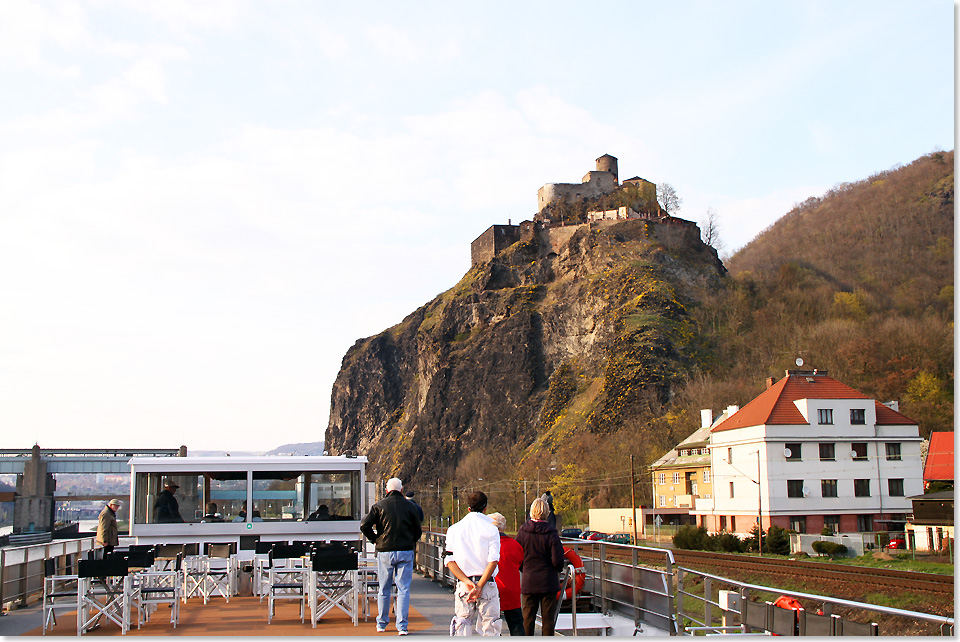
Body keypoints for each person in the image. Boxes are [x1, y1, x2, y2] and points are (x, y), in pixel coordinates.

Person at [361, 477, 423, 635]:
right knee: (403, 589)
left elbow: (364, 525)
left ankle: (381, 623)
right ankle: (402, 626)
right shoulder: (411, 507)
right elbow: (418, 530)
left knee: (384, 588)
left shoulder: (378, 506)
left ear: (387, 490)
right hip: (405, 551)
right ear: (402, 490)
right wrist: (410, 541)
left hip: (385, 551)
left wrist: (375, 539)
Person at [444, 491, 502, 636]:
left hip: (465, 585)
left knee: (462, 627)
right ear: (485, 509)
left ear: (468, 508)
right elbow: (493, 561)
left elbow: (450, 561)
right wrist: (479, 586)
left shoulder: (453, 530)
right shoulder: (492, 529)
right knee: (491, 628)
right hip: (487, 584)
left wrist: (467, 582)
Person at [516, 498, 565, 636]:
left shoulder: (523, 531)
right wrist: (556, 569)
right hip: (548, 582)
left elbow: (517, 556)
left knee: (527, 619)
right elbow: (557, 560)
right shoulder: (552, 533)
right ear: (547, 513)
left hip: (529, 580)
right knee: (548, 621)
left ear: (531, 512)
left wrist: (524, 570)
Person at [489, 512, 524, 636]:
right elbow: (521, 564)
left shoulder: (487, 546)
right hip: (512, 592)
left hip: (493, 591)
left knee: (491, 626)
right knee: (516, 626)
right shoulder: (515, 545)